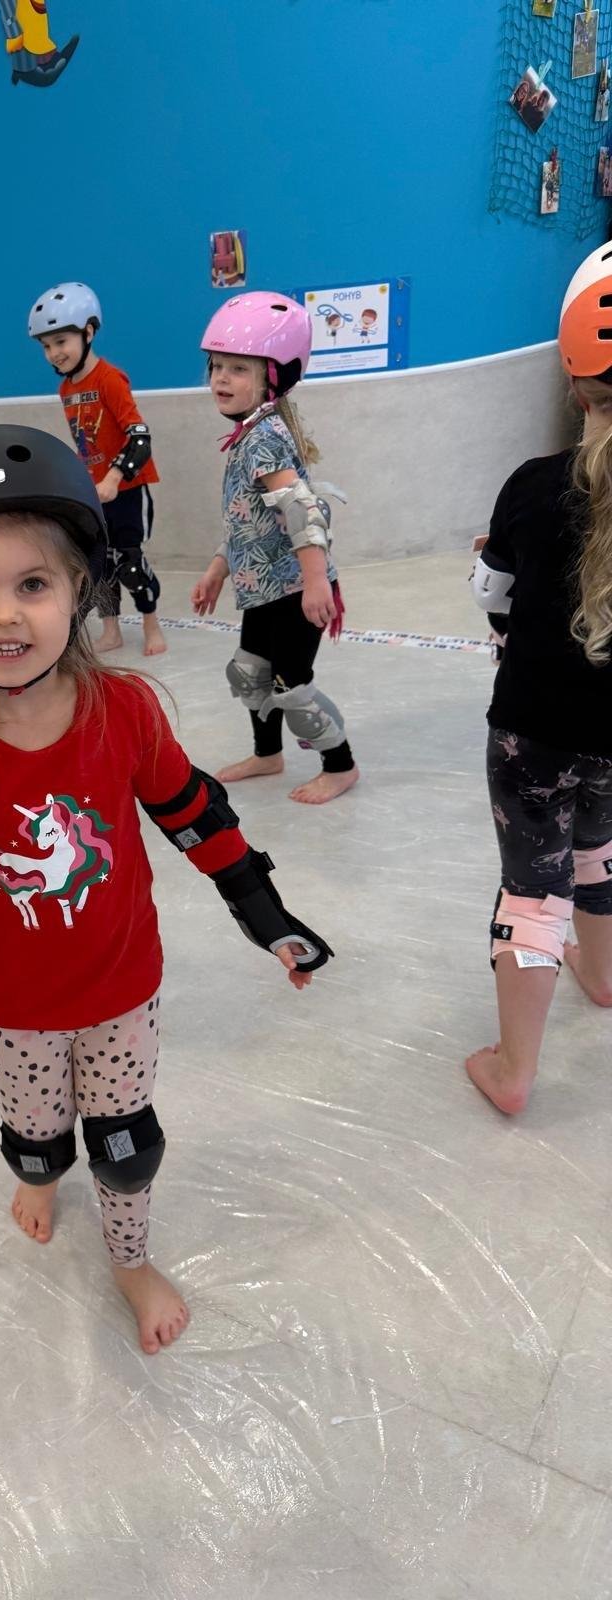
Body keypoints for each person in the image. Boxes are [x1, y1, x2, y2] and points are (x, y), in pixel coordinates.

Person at [0, 423, 333, 1353]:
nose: (6, 616)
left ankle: (130, 1261)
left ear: (78, 590)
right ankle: (36, 1175)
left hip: (120, 992)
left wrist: (268, 920)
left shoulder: (125, 712)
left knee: (126, 1144)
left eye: (33, 585)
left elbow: (195, 818)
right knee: (34, 1138)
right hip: (17, 1007)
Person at [465, 242, 612, 1114]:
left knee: (535, 883)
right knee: (599, 845)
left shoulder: (531, 484)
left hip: (532, 733)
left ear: (575, 382)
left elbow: (493, 597)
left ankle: (514, 1071)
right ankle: (604, 975)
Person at [191, 292, 360, 805]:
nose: (221, 378)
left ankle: (341, 766)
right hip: (262, 589)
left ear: (272, 376)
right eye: (217, 366)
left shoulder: (263, 439)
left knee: (291, 686)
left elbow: (301, 510)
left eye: (238, 369)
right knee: (250, 674)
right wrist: (218, 568)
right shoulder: (249, 435)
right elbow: (248, 520)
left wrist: (315, 581)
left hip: (292, 589)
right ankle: (268, 755)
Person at [28, 281, 166, 657]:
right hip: (95, 491)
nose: (54, 353)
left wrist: (114, 477)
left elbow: (139, 437)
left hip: (127, 490)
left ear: (88, 332)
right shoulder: (66, 390)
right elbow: (86, 444)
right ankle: (111, 630)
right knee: (100, 564)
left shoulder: (110, 379)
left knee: (129, 562)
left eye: (61, 341)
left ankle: (151, 624)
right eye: (46, 346)